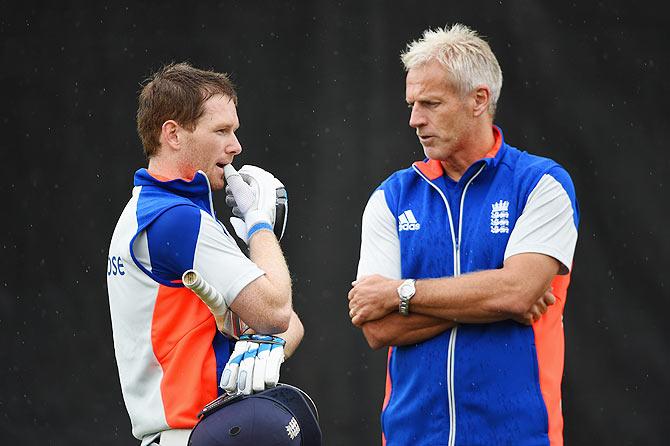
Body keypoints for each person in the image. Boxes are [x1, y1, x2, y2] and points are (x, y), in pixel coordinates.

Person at [348, 24, 578, 446]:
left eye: (431, 103)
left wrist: (402, 294)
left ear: (479, 100)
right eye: (412, 104)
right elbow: (377, 329)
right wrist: (494, 298)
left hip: (519, 436)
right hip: (410, 437)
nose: (415, 119)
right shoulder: (392, 196)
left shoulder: (542, 184)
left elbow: (517, 293)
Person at [107, 62, 304, 446]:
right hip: (195, 434)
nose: (236, 146)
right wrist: (260, 224)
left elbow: (284, 324)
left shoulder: (148, 209)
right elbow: (277, 313)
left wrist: (267, 339)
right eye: (221, 131)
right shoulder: (176, 219)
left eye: (235, 131)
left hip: (187, 434)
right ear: (173, 134)